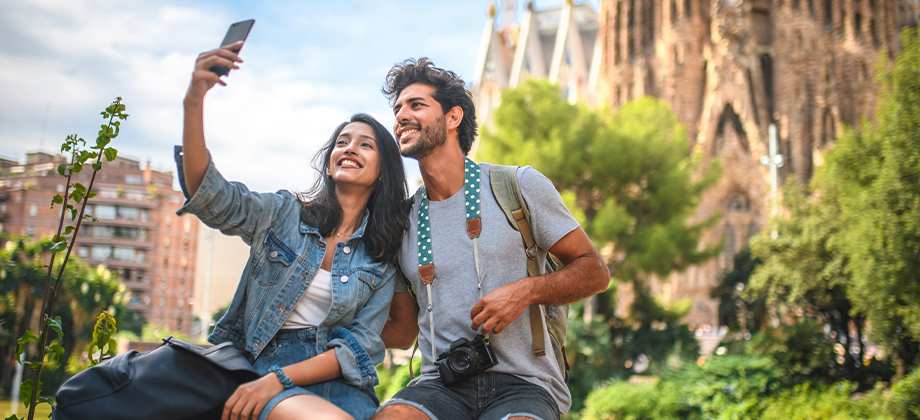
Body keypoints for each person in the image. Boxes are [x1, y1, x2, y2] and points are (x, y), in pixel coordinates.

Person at [176, 43, 409, 420]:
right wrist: (194, 101)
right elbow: (212, 196)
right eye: (342, 142)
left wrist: (284, 378)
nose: (350, 148)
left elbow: (361, 348)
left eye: (365, 145)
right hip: (261, 369)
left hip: (339, 379)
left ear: (382, 171)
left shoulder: (382, 253)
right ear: (331, 165)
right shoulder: (283, 214)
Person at [375, 58, 610, 420]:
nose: (401, 115)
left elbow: (595, 271)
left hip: (527, 384)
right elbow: (403, 331)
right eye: (397, 109)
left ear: (453, 118)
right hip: (441, 384)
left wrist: (525, 291)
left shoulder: (519, 186)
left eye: (416, 104)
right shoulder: (403, 222)